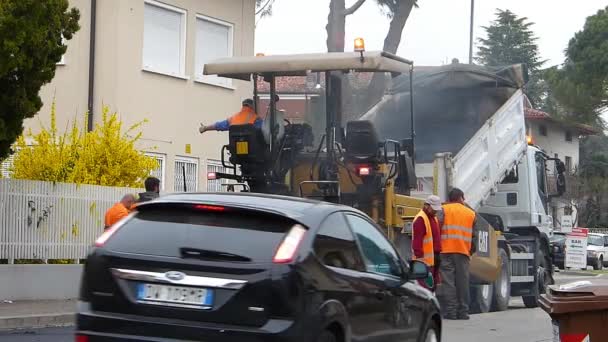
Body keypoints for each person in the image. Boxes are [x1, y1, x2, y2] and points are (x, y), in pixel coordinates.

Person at [438, 188, 477, 320]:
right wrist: (470, 251)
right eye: (463, 198)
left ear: (450, 199)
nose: (464, 200)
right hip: (462, 252)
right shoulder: (471, 213)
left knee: (449, 282)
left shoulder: (444, 210)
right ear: (460, 198)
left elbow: (438, 228)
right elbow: (474, 237)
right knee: (463, 282)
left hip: (446, 251)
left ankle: (451, 312)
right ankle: (463, 311)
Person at [411, 195, 443, 291]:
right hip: (424, 262)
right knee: (423, 289)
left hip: (432, 260)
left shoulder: (433, 218)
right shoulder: (421, 219)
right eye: (433, 209)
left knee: (431, 288)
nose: (435, 211)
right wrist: (420, 261)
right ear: (426, 206)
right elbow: (417, 242)